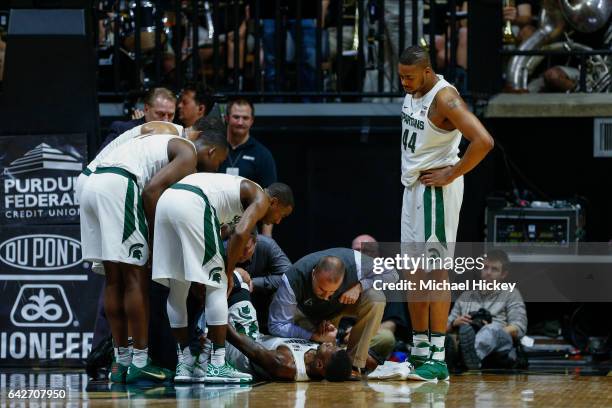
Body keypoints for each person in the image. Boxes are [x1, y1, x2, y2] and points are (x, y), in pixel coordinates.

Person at [79, 128, 229, 384]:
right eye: (219, 162)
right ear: (212, 151)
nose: (215, 168)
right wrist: (152, 240)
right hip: (119, 184)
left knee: (114, 279)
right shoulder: (187, 150)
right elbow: (151, 192)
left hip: (91, 185)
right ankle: (139, 361)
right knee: (136, 277)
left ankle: (120, 361)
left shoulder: (157, 140)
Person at [398, 45, 494, 381]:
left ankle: (438, 357)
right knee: (412, 272)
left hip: (436, 191)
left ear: (426, 71)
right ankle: (420, 349)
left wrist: (452, 173)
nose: (404, 83)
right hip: (413, 189)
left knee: (436, 272)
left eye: (409, 77)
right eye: (400, 77)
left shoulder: (445, 98)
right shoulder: (414, 90)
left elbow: (483, 140)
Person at [151, 173, 294, 383]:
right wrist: (227, 273)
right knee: (217, 285)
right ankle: (217, 365)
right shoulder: (261, 198)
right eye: (282, 214)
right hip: (193, 202)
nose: (279, 220)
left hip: (167, 201)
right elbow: (240, 234)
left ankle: (185, 363)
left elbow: (224, 229)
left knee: (178, 286)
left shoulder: (236, 196)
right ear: (274, 202)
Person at [268, 248, 398, 377]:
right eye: (321, 290)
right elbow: (276, 326)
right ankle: (330, 351)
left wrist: (360, 286)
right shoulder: (292, 279)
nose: (326, 297)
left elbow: (393, 274)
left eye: (332, 291)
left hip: (343, 305)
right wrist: (312, 335)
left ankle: (354, 364)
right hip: (308, 314)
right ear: (313, 274)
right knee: (319, 357)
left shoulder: (357, 263)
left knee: (376, 298)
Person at [224, 271, 353, 382]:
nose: (331, 344)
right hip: (257, 335)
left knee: (236, 278)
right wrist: (319, 332)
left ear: (319, 364)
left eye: (330, 348)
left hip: (240, 348)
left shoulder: (286, 365)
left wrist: (218, 322)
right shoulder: (317, 356)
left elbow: (252, 349)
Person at [447, 250, 527, 369]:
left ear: (503, 274)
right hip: (466, 335)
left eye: (494, 269)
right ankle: (462, 355)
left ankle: (466, 357)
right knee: (448, 337)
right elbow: (444, 326)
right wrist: (454, 323)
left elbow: (518, 328)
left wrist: (487, 328)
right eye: (485, 268)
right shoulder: (466, 295)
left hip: (499, 341)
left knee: (491, 329)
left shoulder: (511, 294)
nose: (488, 272)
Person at [218, 98, 278, 236]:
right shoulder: (214, 148)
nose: (240, 122)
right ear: (226, 118)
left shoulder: (262, 154)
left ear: (252, 121)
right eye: (236, 117)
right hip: (214, 224)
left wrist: (266, 238)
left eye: (245, 118)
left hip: (248, 231)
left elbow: (269, 198)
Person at [101, 87, 177, 149]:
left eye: (170, 115)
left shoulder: (177, 134)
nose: (166, 120)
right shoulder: (123, 129)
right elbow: (100, 161)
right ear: (146, 109)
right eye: (160, 114)